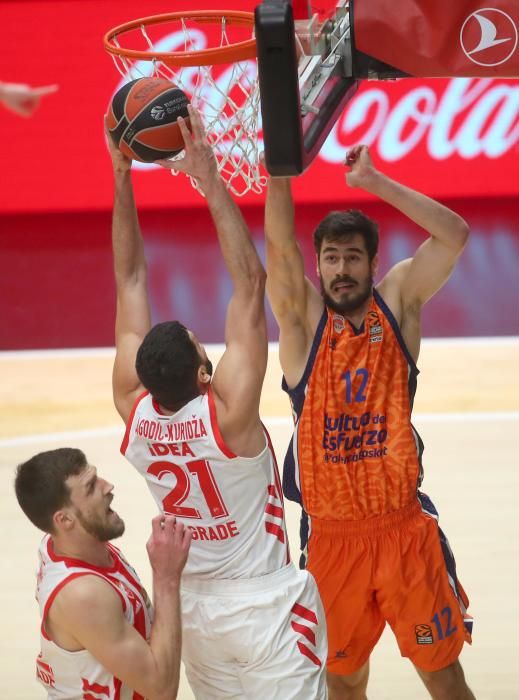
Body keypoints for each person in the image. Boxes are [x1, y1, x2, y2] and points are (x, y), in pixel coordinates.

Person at [108, 104, 327, 699]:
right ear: (206, 372)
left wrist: (121, 175)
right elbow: (251, 285)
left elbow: (129, 280)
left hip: (195, 612)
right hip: (263, 604)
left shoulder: (133, 408)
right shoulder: (228, 413)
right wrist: (208, 179)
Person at [264, 145, 475, 700]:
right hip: (332, 540)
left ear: (372, 264)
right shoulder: (303, 324)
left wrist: (375, 181)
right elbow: (279, 250)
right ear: (318, 266)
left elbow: (454, 235)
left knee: (445, 678)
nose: (341, 270)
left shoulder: (399, 302)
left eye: (353, 258)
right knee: (344, 681)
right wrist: (279, 163)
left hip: (404, 531)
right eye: (330, 258)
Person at [14, 447, 191, 699]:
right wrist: (166, 577)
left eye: (97, 477)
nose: (107, 486)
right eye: (90, 487)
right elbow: (161, 690)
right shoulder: (82, 594)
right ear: (64, 520)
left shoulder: (73, 542)